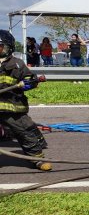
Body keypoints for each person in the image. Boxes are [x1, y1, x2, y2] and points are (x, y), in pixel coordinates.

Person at [0, 30, 51, 170]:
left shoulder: (17, 63)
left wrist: (29, 82)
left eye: (0, 47)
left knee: (25, 131)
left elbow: (29, 78)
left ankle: (36, 159)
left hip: (12, 107)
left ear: (8, 47)